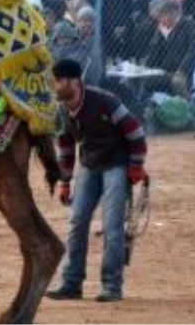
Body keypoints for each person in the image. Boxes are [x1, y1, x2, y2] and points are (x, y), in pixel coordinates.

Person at [47, 59, 148, 303]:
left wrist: (136, 166)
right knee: (77, 222)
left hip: (117, 164)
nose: (55, 86)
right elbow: (66, 144)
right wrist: (65, 181)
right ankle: (72, 284)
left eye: (58, 81)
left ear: (74, 81)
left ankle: (112, 287)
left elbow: (136, 132)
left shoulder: (104, 100)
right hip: (90, 165)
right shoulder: (61, 108)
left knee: (113, 227)